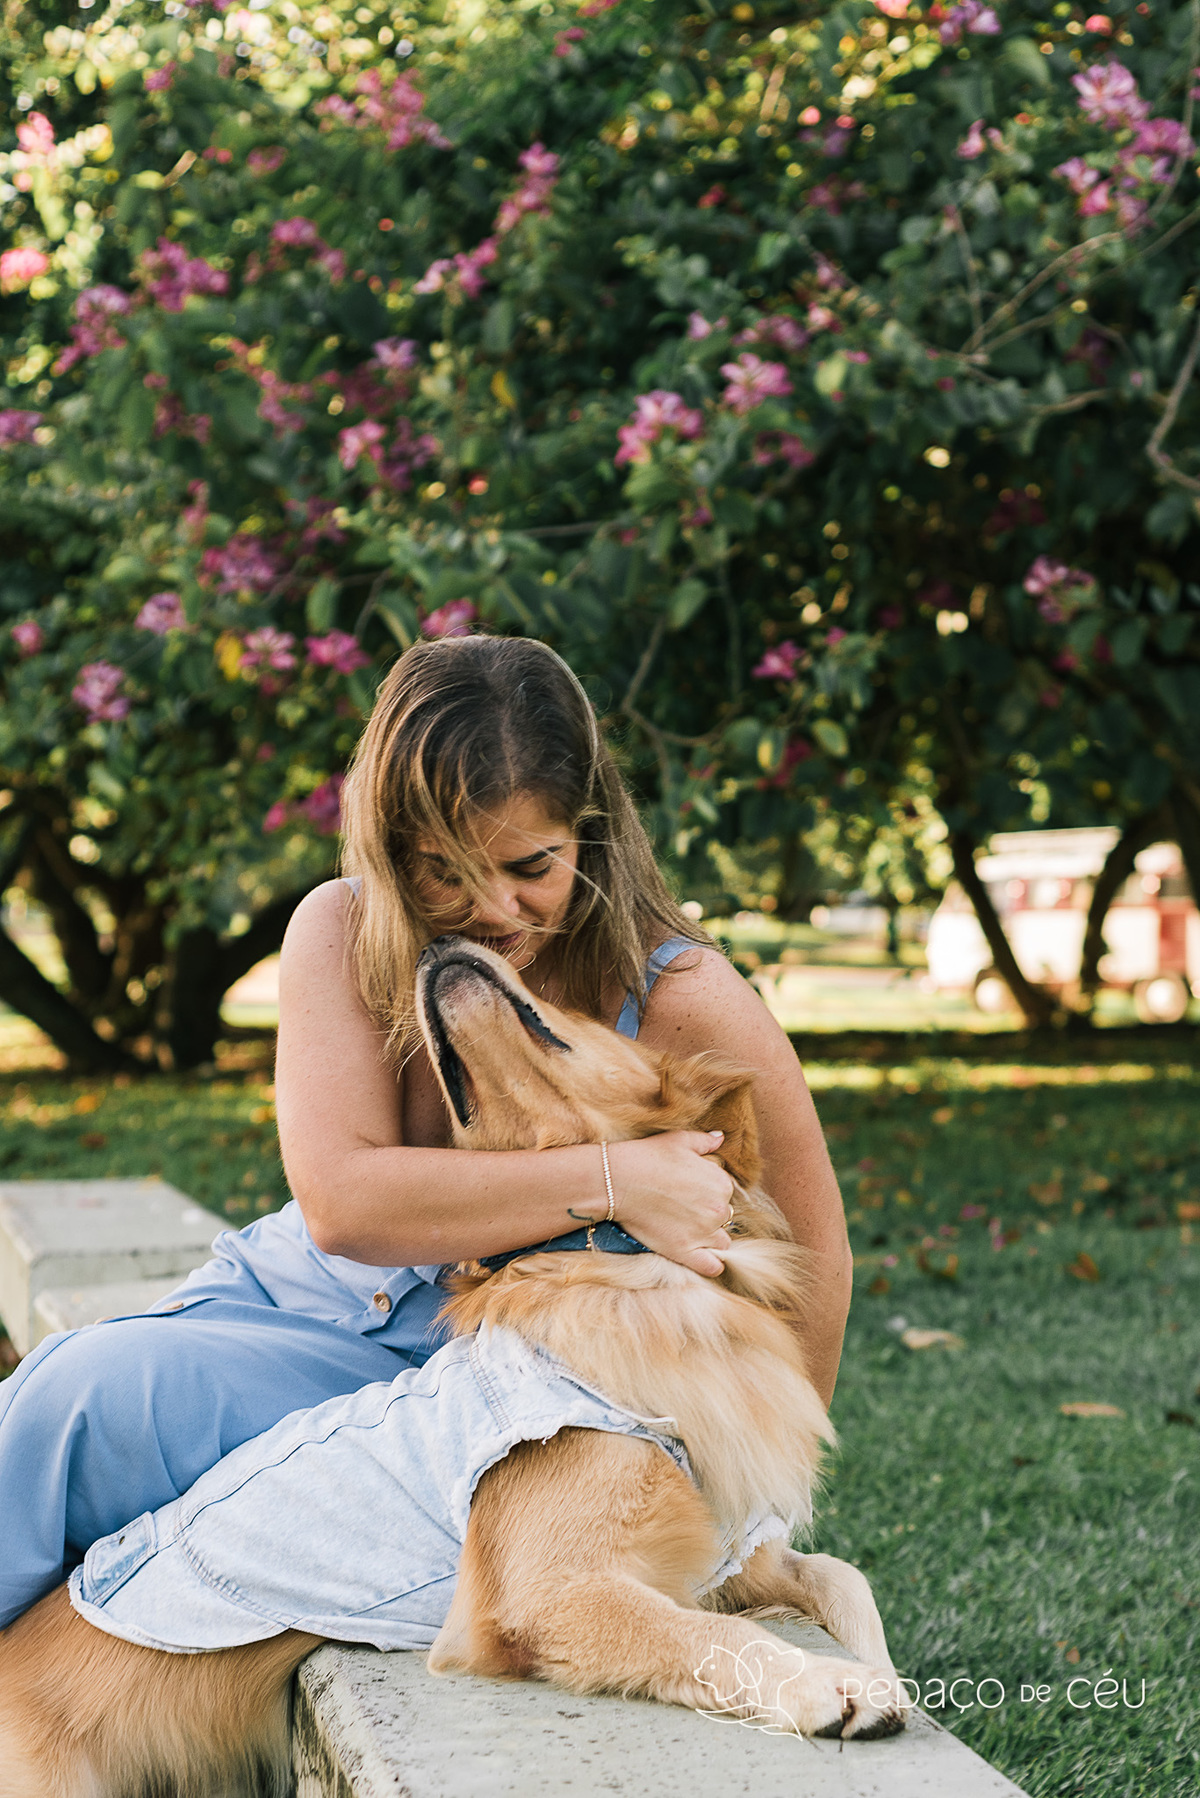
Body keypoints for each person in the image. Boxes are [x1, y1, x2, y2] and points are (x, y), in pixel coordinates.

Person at [0, 635, 851, 1630]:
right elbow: (344, 1201)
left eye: (532, 864)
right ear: (391, 852)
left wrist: (759, 1515)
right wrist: (620, 1178)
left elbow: (814, 1254)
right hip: (304, 1317)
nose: (493, 910)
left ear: (588, 825)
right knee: (70, 1401)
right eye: (442, 872)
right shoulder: (341, 930)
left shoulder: (681, 994)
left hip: (505, 1383)